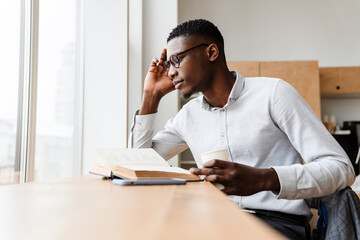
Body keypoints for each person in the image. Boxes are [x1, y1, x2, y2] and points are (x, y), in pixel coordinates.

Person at [130, 19, 355, 239]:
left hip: (277, 225)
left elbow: (341, 168)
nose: (170, 72)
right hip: (212, 221)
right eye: (168, 64)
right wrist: (151, 95)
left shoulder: (274, 94)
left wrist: (265, 179)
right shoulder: (188, 116)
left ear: (211, 52)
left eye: (176, 60)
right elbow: (139, 165)